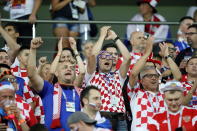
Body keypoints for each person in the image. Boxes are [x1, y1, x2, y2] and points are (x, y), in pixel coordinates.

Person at [27, 37, 85, 130]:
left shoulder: (80, 93)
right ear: (56, 73)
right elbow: (31, 74)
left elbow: (82, 72)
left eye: (71, 68)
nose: (69, 69)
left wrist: (75, 50)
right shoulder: (48, 89)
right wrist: (33, 50)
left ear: (75, 73)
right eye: (64, 67)